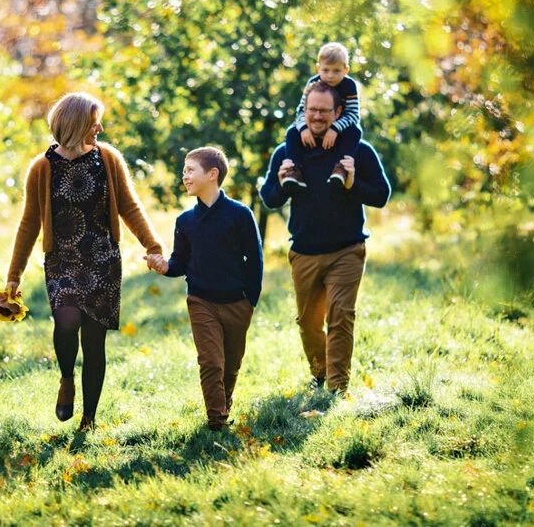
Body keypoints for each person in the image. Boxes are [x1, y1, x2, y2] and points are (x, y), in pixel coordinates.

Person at [5, 92, 164, 432]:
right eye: (95, 123)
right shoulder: (42, 168)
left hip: (102, 261)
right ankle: (66, 378)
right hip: (61, 262)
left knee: (94, 343)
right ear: (76, 125)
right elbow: (29, 224)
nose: (100, 129)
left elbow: (129, 207)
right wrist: (14, 275)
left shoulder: (107, 159)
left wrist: (152, 246)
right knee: (66, 321)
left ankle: (88, 419)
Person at [259, 80, 390, 393]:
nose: (317, 116)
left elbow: (381, 195)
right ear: (303, 110)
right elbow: (269, 198)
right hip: (304, 251)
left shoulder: (358, 151)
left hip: (347, 249)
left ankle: (337, 387)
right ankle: (320, 375)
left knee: (341, 316)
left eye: (324, 111)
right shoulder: (287, 151)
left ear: (339, 112)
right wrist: (281, 183)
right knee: (308, 323)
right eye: (312, 110)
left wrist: (353, 183)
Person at [147, 147, 263, 431]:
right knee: (211, 362)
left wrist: (250, 300)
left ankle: (223, 404)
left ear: (212, 174)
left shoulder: (240, 214)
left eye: (190, 170)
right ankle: (217, 421)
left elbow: (255, 259)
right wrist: (164, 267)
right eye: (183, 171)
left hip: (237, 302)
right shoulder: (185, 221)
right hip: (201, 301)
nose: (184, 176)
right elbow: (180, 262)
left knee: (230, 365)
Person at [282, 42, 363, 190]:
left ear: (345, 70)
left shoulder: (349, 86)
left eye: (336, 71)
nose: (330, 75)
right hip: (314, 129)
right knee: (292, 132)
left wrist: (335, 128)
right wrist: (303, 128)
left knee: (354, 132)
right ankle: (293, 170)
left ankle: (341, 168)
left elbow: (353, 115)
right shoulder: (313, 83)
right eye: (326, 70)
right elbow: (301, 111)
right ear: (318, 68)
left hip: (341, 127)